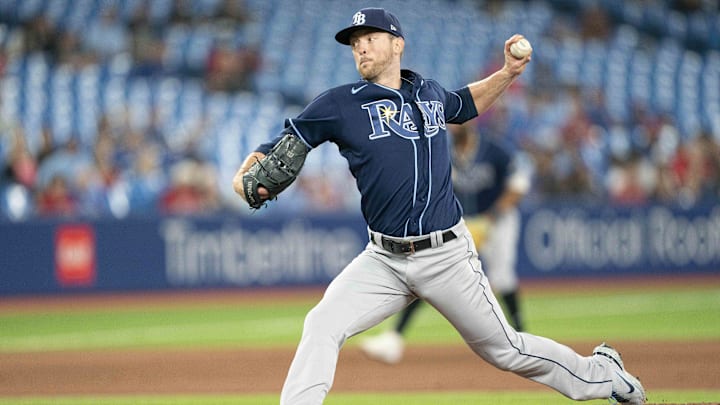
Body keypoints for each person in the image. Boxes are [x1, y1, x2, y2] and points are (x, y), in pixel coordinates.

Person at [232, 8, 646, 405]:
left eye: (370, 38)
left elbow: (465, 104)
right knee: (321, 324)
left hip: (447, 255)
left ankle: (605, 375)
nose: (360, 47)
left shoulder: (428, 91)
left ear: (398, 45)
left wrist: (507, 74)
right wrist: (243, 174)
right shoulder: (340, 104)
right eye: (354, 42)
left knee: (506, 350)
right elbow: (282, 145)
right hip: (383, 259)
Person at [359, 121, 531, 364]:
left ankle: (522, 337)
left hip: (498, 221)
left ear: (470, 123)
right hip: (464, 222)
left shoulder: (493, 149)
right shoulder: (445, 151)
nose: (452, 128)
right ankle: (394, 339)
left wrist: (491, 217)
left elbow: (518, 185)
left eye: (456, 123)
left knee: (502, 278)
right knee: (431, 272)